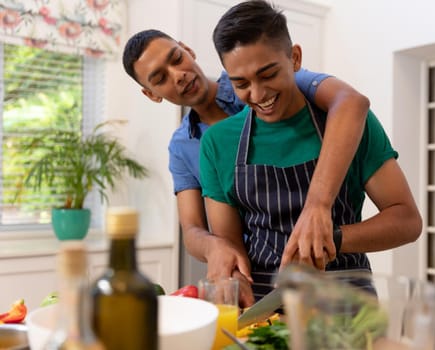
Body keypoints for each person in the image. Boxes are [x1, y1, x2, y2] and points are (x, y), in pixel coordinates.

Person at [122, 28, 371, 306]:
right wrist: (216, 246)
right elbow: (192, 228)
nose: (177, 74)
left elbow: (350, 102)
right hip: (255, 277)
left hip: (331, 265)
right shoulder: (183, 146)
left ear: (188, 50)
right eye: (160, 78)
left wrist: (318, 207)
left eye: (176, 58)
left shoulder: (263, 78)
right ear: (151, 94)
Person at [200, 0, 422, 302]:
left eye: (268, 75)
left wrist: (334, 237)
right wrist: (233, 273)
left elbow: (408, 221)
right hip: (263, 304)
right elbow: (229, 242)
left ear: (294, 58)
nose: (258, 94)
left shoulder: (350, 126)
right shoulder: (218, 142)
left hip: (346, 305)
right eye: (241, 84)